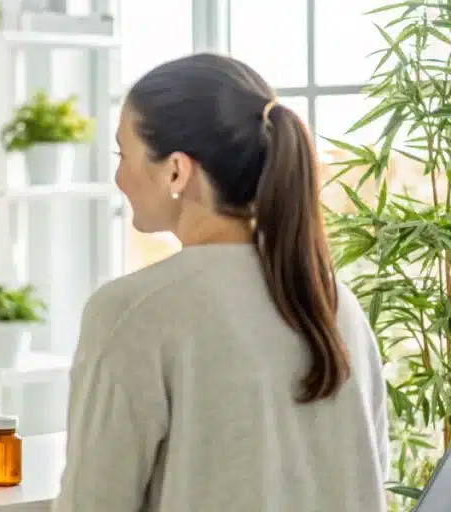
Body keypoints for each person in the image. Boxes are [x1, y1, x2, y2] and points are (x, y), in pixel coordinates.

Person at [53, 53, 389, 511]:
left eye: (122, 154)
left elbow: (93, 504)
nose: (118, 177)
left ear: (176, 170)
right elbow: (371, 476)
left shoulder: (133, 312)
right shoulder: (332, 302)